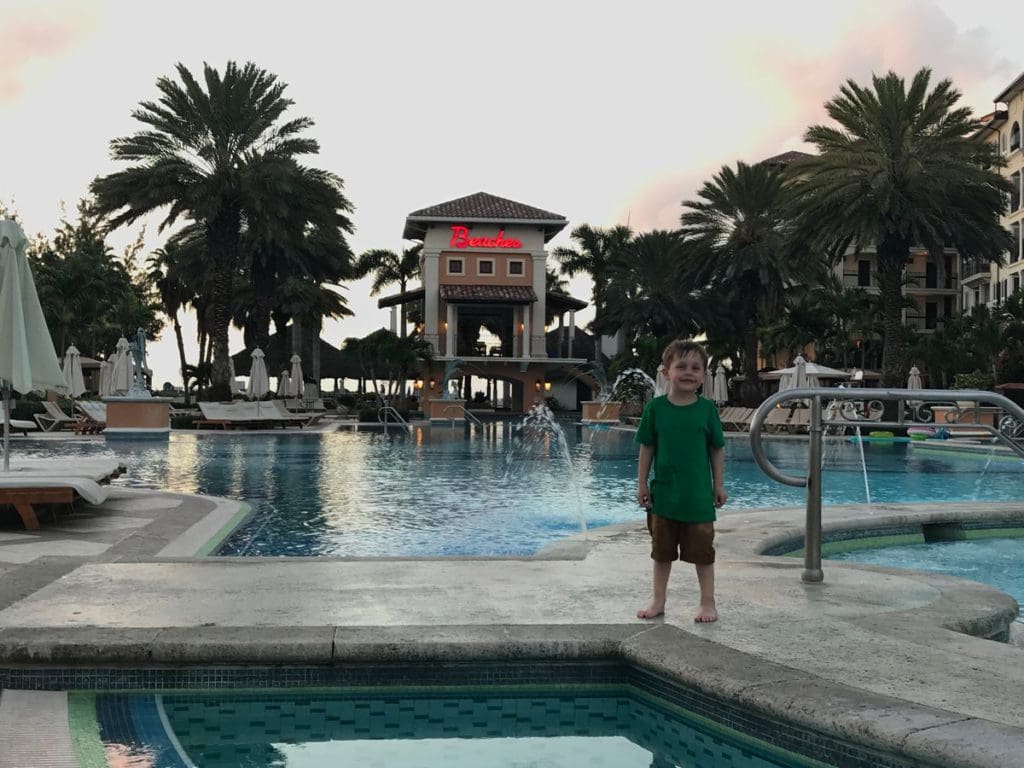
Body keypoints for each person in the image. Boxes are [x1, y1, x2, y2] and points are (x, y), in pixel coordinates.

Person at [635, 339, 727, 623]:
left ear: (703, 375)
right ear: (666, 372)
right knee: (661, 553)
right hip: (664, 497)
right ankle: (659, 600)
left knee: (703, 554)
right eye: (682, 366)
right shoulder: (655, 409)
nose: (689, 372)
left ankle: (707, 602)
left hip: (698, 498)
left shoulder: (707, 410)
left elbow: (716, 448)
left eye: (696, 368)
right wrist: (641, 484)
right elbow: (647, 447)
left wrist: (718, 484)